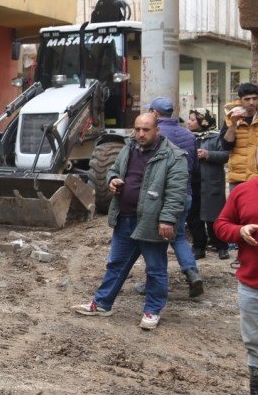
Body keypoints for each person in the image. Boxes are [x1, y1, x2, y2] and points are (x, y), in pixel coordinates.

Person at [72, 113, 187, 331]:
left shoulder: (173, 156)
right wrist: (112, 180)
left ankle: (152, 310)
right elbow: (114, 170)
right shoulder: (129, 148)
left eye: (146, 130)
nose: (140, 134)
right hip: (125, 218)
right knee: (116, 264)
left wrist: (168, 219)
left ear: (157, 130)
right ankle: (103, 304)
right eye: (137, 129)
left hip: (152, 222)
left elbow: (176, 193)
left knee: (155, 269)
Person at [147, 97, 203, 297]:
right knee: (178, 236)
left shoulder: (156, 135)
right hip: (185, 193)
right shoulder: (188, 135)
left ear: (154, 114)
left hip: (160, 195)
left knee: (155, 239)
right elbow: (195, 168)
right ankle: (191, 272)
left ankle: (153, 282)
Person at [213, 177, 258, 395]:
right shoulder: (243, 191)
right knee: (254, 344)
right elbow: (221, 225)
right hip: (251, 284)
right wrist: (239, 231)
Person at [187, 109, 229, 260]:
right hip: (192, 183)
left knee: (215, 217)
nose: (189, 122)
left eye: (192, 120)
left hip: (211, 183)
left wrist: (208, 154)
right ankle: (199, 247)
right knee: (194, 217)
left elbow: (226, 155)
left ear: (203, 121)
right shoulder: (188, 137)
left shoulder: (216, 136)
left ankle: (222, 247)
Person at [222, 82, 258, 191]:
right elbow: (226, 146)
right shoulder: (230, 118)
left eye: (255, 98)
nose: (251, 102)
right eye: (247, 99)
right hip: (238, 177)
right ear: (240, 100)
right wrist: (233, 125)